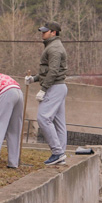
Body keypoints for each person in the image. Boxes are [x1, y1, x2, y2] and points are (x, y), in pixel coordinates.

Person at [26, 22, 68, 166]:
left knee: (43, 118)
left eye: (45, 31)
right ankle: (60, 154)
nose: (42, 34)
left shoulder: (54, 48)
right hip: (59, 86)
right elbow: (48, 71)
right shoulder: (53, 46)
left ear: (53, 32)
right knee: (59, 123)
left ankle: (57, 152)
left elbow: (54, 71)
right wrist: (34, 79)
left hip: (54, 87)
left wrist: (43, 89)